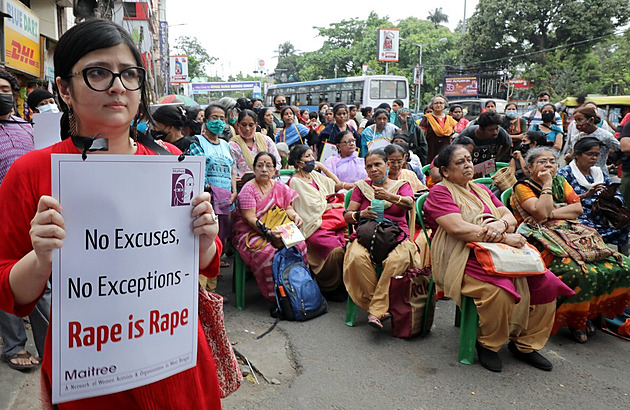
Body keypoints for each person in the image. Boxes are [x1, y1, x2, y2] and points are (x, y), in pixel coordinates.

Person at [0, 19, 224, 408]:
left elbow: (206, 262)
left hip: (176, 363)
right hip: (91, 373)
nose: (118, 86)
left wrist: (205, 240)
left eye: (129, 74)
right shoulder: (31, 172)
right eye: (98, 73)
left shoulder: (172, 163)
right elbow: (10, 289)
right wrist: (41, 258)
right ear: (65, 90)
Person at [425, 144, 574, 372]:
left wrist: (502, 224)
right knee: (500, 291)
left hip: (497, 251)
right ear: (445, 171)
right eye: (460, 162)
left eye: (468, 160)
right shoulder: (440, 192)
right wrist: (504, 237)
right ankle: (488, 344)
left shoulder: (479, 189)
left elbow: (508, 216)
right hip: (461, 255)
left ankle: (525, 344)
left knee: (547, 283)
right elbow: (458, 229)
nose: (467, 165)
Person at [511, 147, 630, 343]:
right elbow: (539, 214)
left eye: (552, 161)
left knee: (622, 265)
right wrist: (547, 185)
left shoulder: (562, 181)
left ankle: (592, 314)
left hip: (571, 233)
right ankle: (574, 320)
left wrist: (550, 213)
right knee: (578, 272)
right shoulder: (522, 187)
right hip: (539, 238)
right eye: (542, 162)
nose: (549, 165)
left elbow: (576, 209)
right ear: (530, 167)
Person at [0, 69, 49, 372]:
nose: (0, 93)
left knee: (42, 283)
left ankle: (52, 348)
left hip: (34, 217)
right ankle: (14, 346)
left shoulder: (30, 128)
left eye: (4, 88)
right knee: (7, 280)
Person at [343, 149, 422, 329]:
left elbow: (409, 203)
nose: (374, 169)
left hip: (397, 234)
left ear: (387, 165)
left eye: (378, 164)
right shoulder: (361, 187)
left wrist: (389, 197)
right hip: (367, 234)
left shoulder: (401, 185)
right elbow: (347, 216)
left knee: (398, 259)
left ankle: (376, 310)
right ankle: (379, 308)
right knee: (356, 257)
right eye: (369, 166)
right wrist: (360, 214)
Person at [232, 152, 307, 301]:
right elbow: (249, 218)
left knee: (300, 245)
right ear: (254, 169)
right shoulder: (248, 189)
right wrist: (268, 232)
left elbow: (287, 208)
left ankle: (299, 289)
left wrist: (295, 216)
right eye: (260, 166)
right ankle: (278, 297)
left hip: (279, 227)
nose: (264, 169)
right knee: (269, 254)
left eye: (268, 166)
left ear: (274, 170)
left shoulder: (279, 186)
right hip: (251, 232)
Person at [288, 145, 348, 301]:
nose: (312, 159)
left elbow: (337, 185)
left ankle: (342, 283)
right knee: (335, 250)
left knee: (351, 242)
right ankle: (328, 285)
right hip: (313, 225)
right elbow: (310, 208)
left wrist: (322, 167)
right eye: (307, 157)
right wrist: (330, 205)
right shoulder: (295, 181)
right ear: (298, 162)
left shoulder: (314, 175)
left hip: (330, 221)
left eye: (312, 155)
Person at [557, 137, 630, 248]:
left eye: (596, 155)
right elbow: (560, 200)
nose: (594, 158)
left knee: (625, 223)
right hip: (579, 215)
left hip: (601, 214)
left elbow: (617, 194)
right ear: (577, 154)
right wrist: (585, 196)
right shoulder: (565, 174)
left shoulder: (598, 173)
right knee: (588, 229)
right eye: (590, 154)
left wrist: (610, 197)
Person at [189, 104, 236, 266]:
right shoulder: (198, 142)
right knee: (207, 233)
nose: (219, 122)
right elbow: (197, 170)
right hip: (208, 198)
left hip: (225, 198)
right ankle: (207, 269)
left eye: (222, 119)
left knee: (222, 233)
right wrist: (208, 189)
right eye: (214, 118)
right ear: (205, 120)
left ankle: (215, 264)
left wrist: (233, 191)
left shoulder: (225, 144)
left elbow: (231, 170)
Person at [563, 106, 619, 175]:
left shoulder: (605, 136)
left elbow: (621, 150)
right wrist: (569, 157)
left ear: (591, 120)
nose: (578, 123)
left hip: (599, 175)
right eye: (576, 121)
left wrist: (613, 165)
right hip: (580, 175)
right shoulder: (578, 137)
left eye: (580, 120)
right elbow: (574, 156)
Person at [230, 109, 281, 178]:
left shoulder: (266, 140)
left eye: (251, 125)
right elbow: (233, 170)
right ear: (238, 125)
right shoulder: (233, 145)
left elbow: (277, 163)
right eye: (244, 125)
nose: (247, 128)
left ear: (256, 125)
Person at [420, 94, 457, 161]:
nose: (438, 105)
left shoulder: (450, 119)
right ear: (432, 105)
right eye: (436, 103)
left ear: (444, 105)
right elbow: (422, 136)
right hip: (431, 150)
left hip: (446, 149)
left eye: (441, 103)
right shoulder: (427, 118)